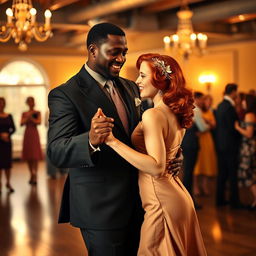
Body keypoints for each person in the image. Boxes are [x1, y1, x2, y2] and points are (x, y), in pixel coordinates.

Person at [47, 23, 182, 256]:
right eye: (114, 52)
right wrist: (90, 139)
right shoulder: (66, 94)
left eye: (124, 52)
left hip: (142, 202)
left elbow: (147, 134)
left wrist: (173, 154)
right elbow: (57, 151)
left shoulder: (131, 87)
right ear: (92, 50)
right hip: (101, 209)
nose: (121, 59)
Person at [103, 53, 207, 255]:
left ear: (160, 80)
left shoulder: (153, 114)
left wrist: (112, 141)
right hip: (175, 196)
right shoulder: (173, 111)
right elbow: (170, 150)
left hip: (161, 202)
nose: (137, 81)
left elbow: (157, 167)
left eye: (142, 76)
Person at [215, 83, 242, 208]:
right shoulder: (229, 107)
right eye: (236, 92)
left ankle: (220, 200)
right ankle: (234, 202)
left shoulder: (220, 105)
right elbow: (232, 128)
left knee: (222, 173)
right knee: (232, 174)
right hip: (230, 145)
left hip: (221, 144)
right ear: (233, 92)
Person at [182, 92, 210, 208]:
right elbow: (202, 127)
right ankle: (190, 201)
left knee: (187, 173)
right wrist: (210, 124)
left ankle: (187, 200)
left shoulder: (183, 110)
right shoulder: (195, 110)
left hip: (185, 144)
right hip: (192, 144)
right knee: (189, 173)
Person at [235, 94, 256, 210]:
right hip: (250, 147)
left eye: (244, 101)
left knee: (248, 173)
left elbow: (249, 134)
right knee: (251, 173)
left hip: (248, 148)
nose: (242, 102)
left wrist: (237, 127)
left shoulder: (249, 115)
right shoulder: (252, 114)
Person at [194, 94, 217, 196]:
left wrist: (208, 123)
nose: (206, 103)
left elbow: (213, 125)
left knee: (207, 164)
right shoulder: (198, 111)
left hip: (207, 139)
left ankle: (204, 186)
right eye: (205, 100)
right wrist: (208, 124)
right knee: (198, 165)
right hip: (199, 140)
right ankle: (196, 187)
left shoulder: (209, 112)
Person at [21, 96, 43, 185]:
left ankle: (35, 174)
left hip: (34, 134)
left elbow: (39, 122)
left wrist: (31, 118)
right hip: (27, 134)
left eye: (32, 101)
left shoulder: (37, 112)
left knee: (35, 155)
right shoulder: (24, 113)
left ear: (34, 102)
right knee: (28, 155)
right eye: (29, 101)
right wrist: (27, 118)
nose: (31, 103)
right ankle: (31, 174)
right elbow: (21, 123)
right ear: (27, 103)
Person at [0, 97, 16, 193]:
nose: (1, 105)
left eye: (2, 103)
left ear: (4, 104)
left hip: (7, 142)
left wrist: (8, 135)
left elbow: (13, 129)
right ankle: (0, 183)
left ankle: (8, 183)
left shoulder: (9, 115)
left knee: (7, 164)